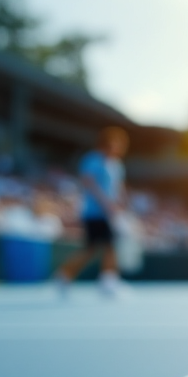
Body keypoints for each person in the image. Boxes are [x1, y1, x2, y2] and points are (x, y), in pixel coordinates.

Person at [55, 126, 130, 297]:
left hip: (108, 214)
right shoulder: (93, 160)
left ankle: (66, 275)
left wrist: (120, 204)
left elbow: (118, 188)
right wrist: (106, 203)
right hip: (94, 213)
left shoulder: (116, 165)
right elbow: (88, 182)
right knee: (106, 247)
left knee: (94, 249)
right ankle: (107, 282)